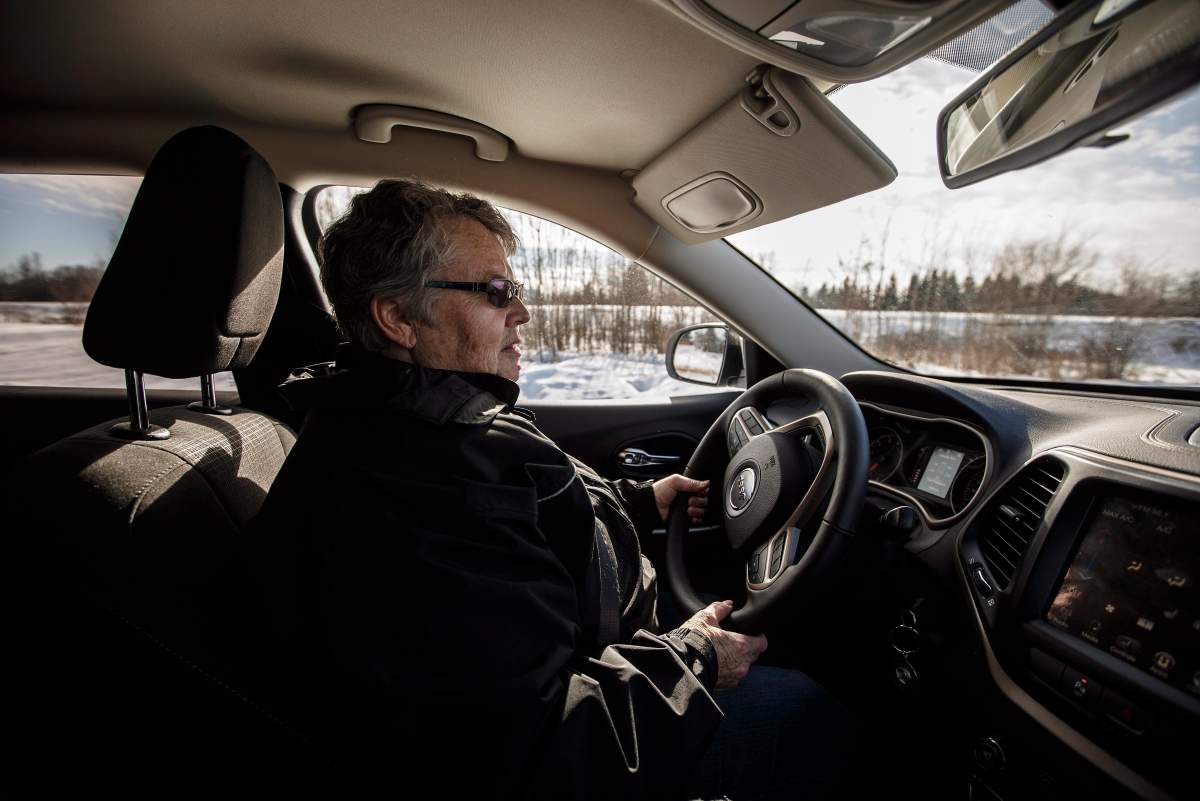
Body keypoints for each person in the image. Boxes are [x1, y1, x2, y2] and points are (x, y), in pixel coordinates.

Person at [247, 179, 852, 800]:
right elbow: (533, 747)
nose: (522, 312)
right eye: (494, 291)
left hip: (600, 645)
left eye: (516, 289)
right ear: (399, 318)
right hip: (591, 732)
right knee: (807, 713)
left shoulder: (424, 421)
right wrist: (695, 663)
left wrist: (640, 502)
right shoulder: (417, 485)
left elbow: (527, 531)